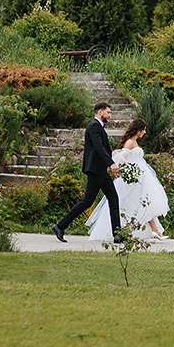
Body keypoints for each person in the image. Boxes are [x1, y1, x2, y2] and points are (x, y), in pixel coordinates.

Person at [85, 118, 170, 243]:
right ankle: (153, 230)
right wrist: (126, 169)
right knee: (141, 203)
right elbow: (121, 157)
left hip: (142, 177)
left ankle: (155, 230)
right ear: (138, 130)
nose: (145, 133)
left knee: (146, 202)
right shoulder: (129, 142)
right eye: (144, 130)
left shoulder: (134, 141)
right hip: (134, 180)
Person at [52, 101, 121, 242]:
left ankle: (117, 236)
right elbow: (99, 147)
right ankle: (60, 226)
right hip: (96, 170)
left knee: (113, 199)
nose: (110, 115)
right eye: (108, 112)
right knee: (87, 201)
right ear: (100, 112)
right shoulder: (94, 126)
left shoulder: (99, 127)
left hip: (101, 170)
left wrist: (110, 164)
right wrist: (111, 163)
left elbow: (103, 148)